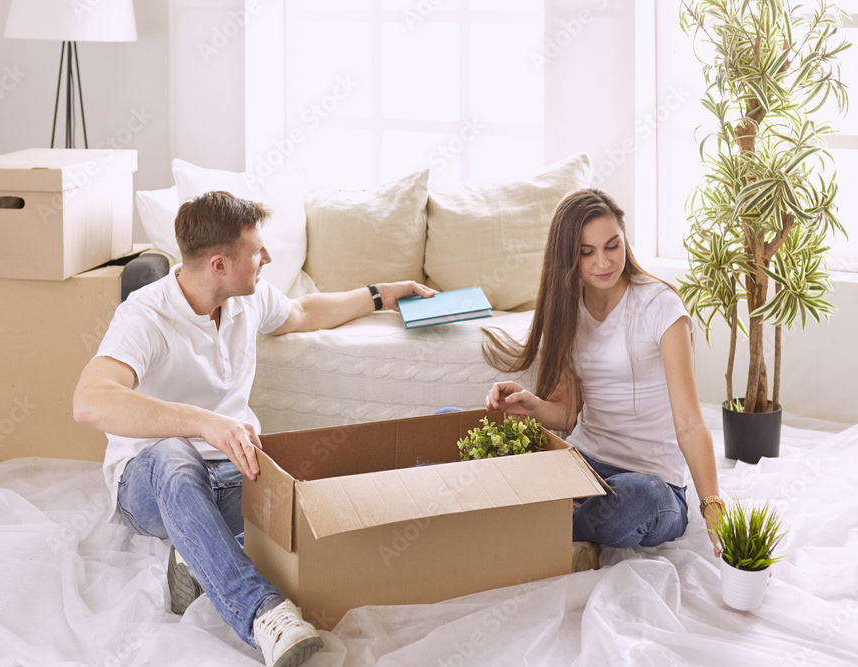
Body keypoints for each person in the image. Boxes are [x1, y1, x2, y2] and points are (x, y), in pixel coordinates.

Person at [73, 190, 435, 667]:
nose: (268, 257)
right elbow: (89, 402)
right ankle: (265, 615)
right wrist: (205, 424)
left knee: (310, 503)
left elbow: (305, 313)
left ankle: (196, 549)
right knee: (172, 453)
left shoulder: (249, 298)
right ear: (220, 264)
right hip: (151, 484)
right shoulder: (145, 316)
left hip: (235, 472)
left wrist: (380, 293)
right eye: (256, 251)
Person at [482, 188, 725, 563]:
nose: (603, 262)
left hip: (652, 483)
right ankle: (567, 529)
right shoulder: (565, 309)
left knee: (637, 500)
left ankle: (530, 522)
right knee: (454, 423)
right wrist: (531, 407)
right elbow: (567, 413)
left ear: (624, 239)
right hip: (582, 464)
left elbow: (691, 425)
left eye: (612, 245)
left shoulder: (661, 306)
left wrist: (712, 507)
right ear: (568, 256)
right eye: (587, 252)